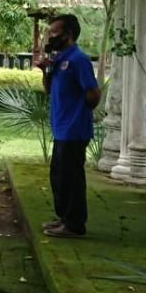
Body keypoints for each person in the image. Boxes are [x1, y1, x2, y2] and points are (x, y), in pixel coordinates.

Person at [36, 13, 101, 239]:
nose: (50, 36)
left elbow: (93, 94)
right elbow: (48, 89)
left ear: (68, 35)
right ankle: (63, 218)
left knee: (72, 178)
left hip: (74, 130)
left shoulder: (78, 60)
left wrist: (79, 113)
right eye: (50, 32)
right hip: (60, 128)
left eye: (55, 32)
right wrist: (45, 70)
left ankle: (74, 224)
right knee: (59, 177)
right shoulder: (58, 59)